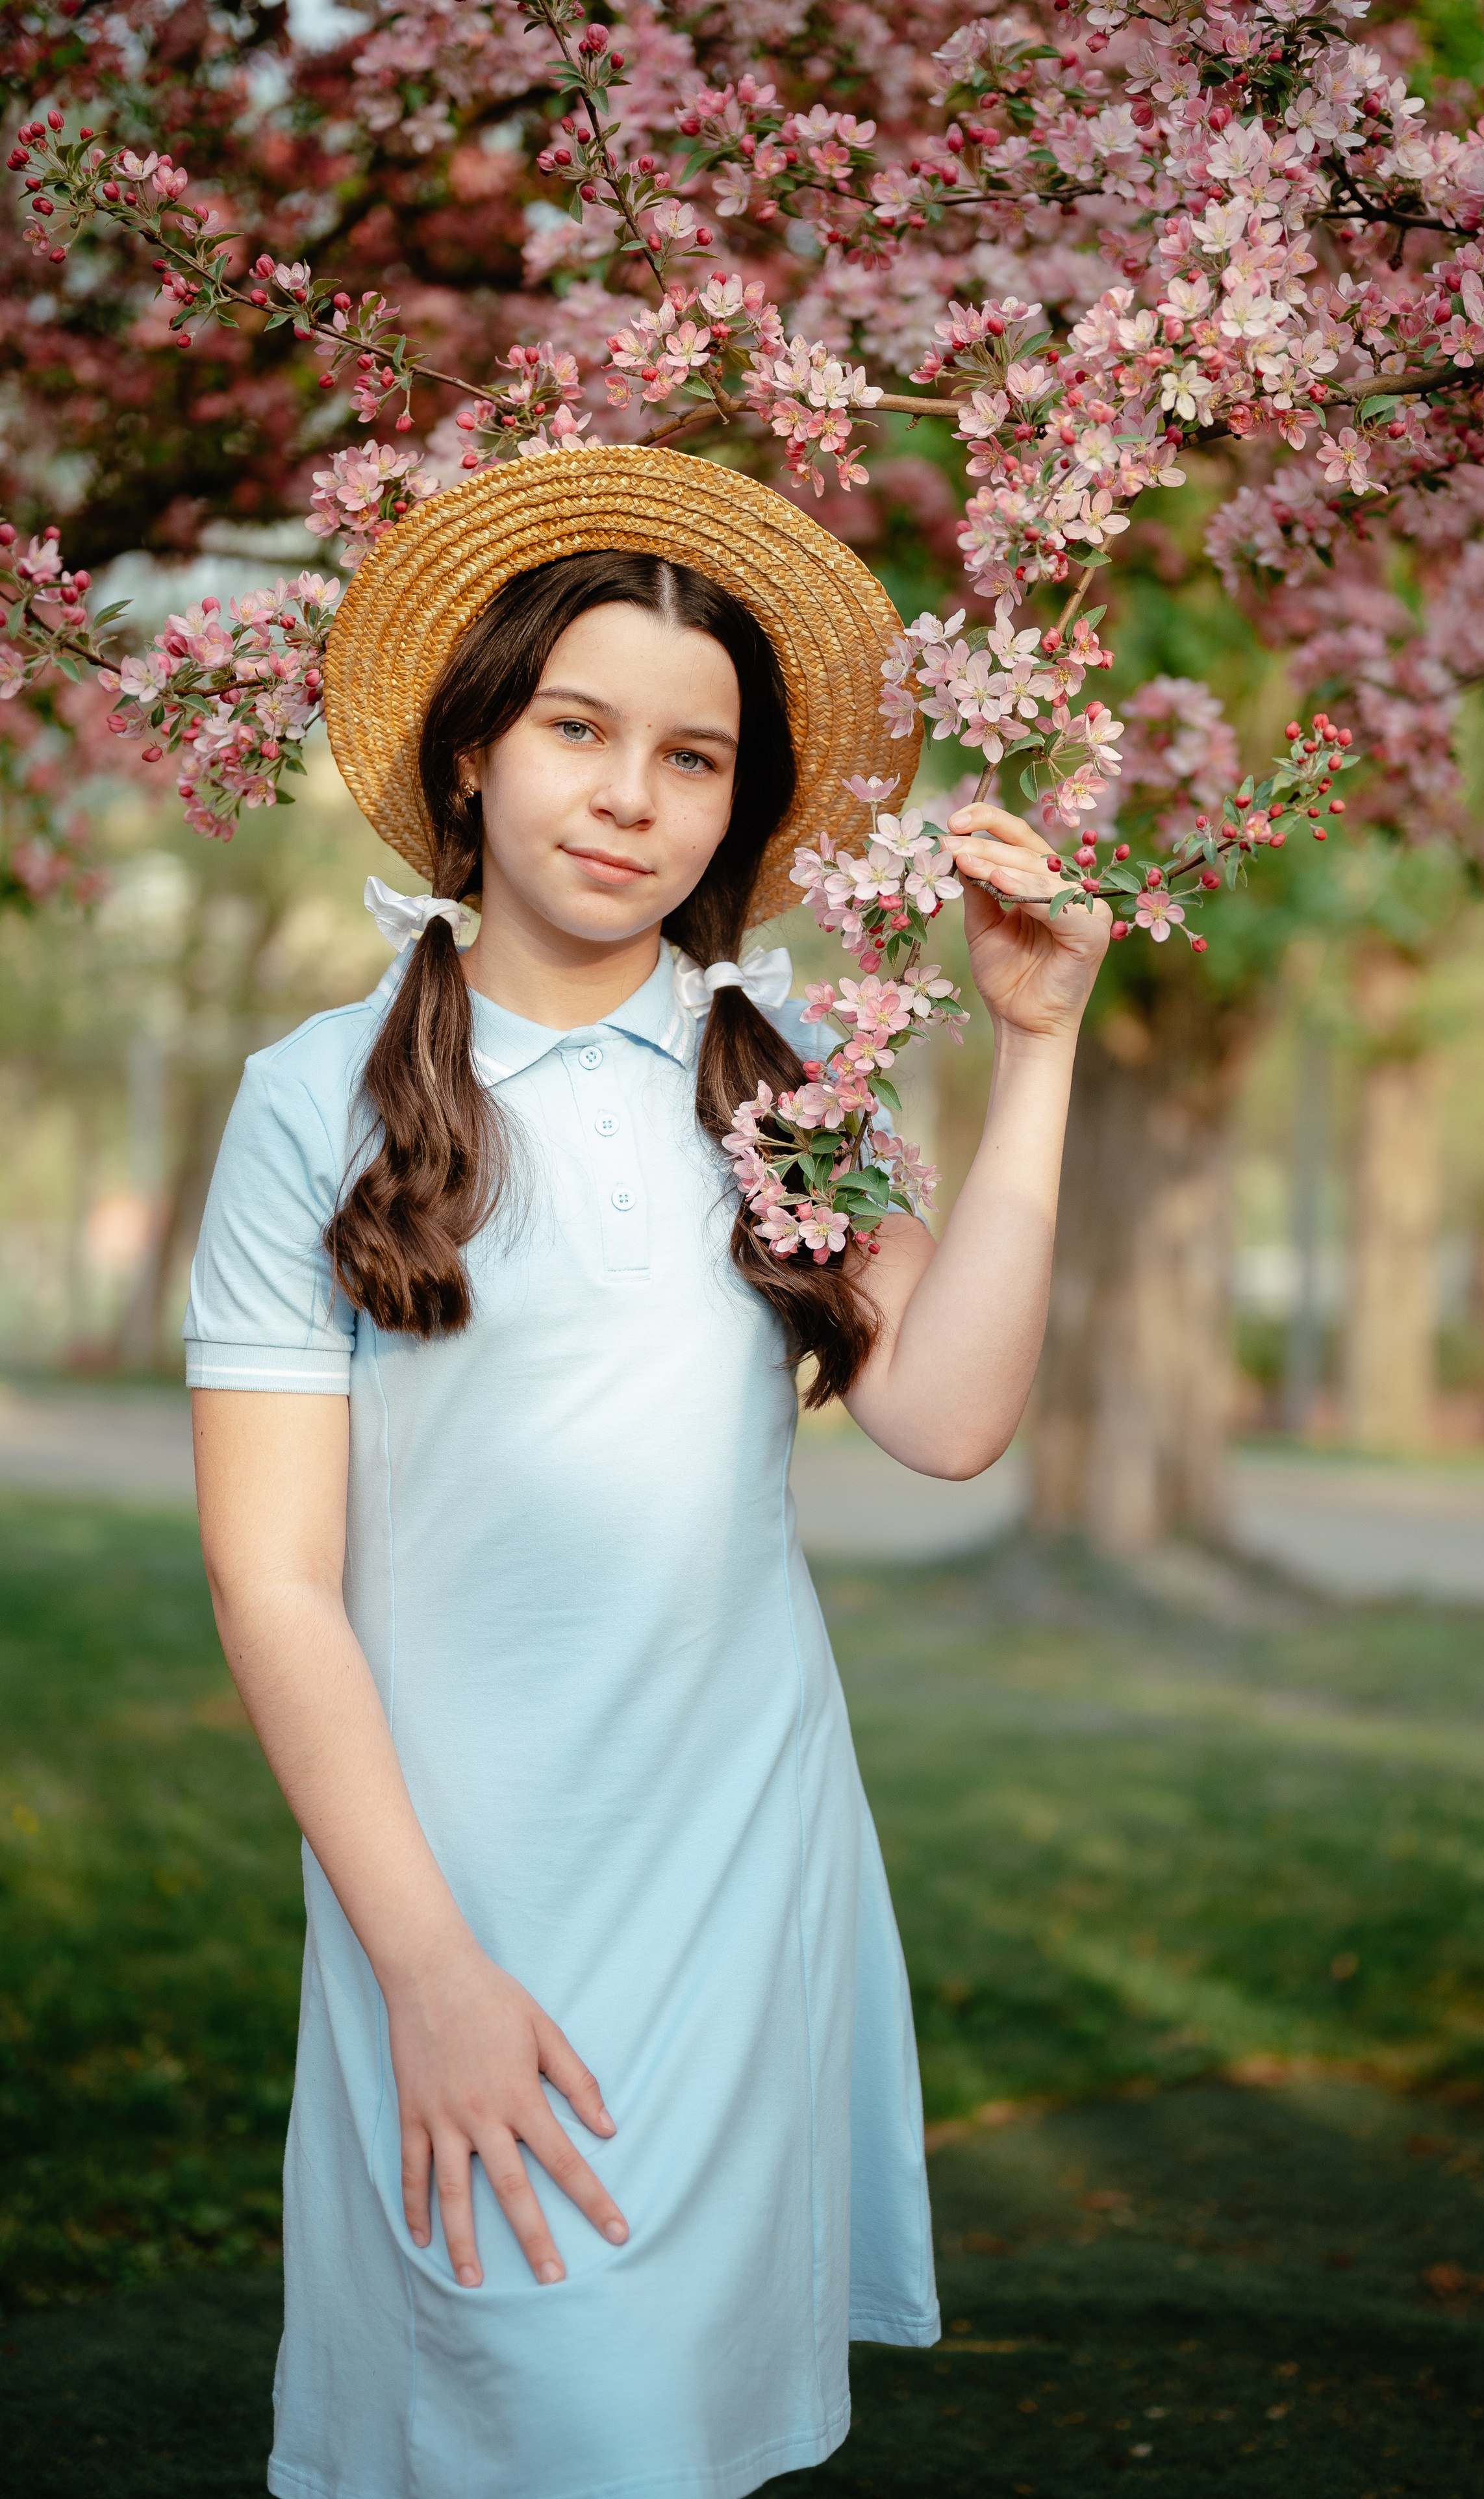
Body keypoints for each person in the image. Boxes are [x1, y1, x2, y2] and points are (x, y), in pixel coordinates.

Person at [187, 446, 1111, 2499]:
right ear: (472, 755)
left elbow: (949, 1420)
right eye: (578, 730)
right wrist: (426, 1969)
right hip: (459, 1890)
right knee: (512, 2406)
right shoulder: (312, 1102)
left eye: (693, 758)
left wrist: (1036, 1045)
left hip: (737, 1861)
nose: (631, 796)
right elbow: (275, 1584)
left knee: (668, 2437)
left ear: (740, 808)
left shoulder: (781, 1070)